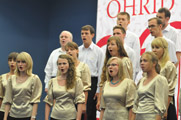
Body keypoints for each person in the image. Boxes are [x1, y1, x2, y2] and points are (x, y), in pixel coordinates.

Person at [97, 36, 133, 110]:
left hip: (120, 98)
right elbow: (103, 82)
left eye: (112, 44)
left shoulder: (125, 61)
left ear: (119, 47)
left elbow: (128, 82)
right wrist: (99, 99)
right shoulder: (108, 61)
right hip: (108, 98)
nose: (109, 47)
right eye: (108, 45)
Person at [44, 54, 85, 120]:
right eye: (59, 64)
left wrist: (78, 118)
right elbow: (48, 101)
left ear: (69, 65)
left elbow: (80, 101)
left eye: (64, 63)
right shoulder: (52, 81)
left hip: (71, 117)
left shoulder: (77, 81)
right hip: (55, 116)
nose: (62, 66)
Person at [3, 52, 42, 120]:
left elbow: (35, 101)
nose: (20, 64)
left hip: (27, 116)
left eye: (23, 62)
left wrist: (33, 117)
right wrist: (5, 118)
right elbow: (8, 100)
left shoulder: (34, 78)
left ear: (28, 63)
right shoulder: (11, 79)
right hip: (12, 115)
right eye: (18, 62)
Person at [131, 52, 168, 120]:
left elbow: (160, 106)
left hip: (151, 117)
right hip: (139, 116)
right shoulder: (141, 80)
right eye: (141, 61)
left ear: (154, 63)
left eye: (145, 61)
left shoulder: (159, 79)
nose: (142, 63)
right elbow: (135, 104)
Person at [78, 25, 104, 120]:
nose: (84, 36)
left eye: (86, 33)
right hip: (79, 81)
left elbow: (101, 70)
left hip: (92, 82)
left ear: (92, 35)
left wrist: (98, 90)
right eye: (82, 34)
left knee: (90, 111)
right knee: (78, 109)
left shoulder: (98, 51)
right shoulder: (78, 50)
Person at [151, 37, 177, 120]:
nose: (154, 50)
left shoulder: (169, 66)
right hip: (151, 103)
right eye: (153, 47)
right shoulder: (151, 65)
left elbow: (170, 89)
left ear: (164, 49)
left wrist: (165, 108)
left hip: (166, 103)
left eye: (157, 48)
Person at [65, 41, 91, 119]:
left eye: (71, 49)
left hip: (78, 101)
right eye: (67, 50)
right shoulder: (64, 67)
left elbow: (86, 87)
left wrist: (84, 104)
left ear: (77, 50)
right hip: (66, 101)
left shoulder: (83, 66)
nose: (69, 51)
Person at [117, 12, 140, 76]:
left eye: (123, 19)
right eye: (119, 19)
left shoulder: (134, 37)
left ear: (128, 22)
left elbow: (136, 57)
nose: (120, 21)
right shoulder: (112, 38)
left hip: (127, 70)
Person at [0, 52, 18, 119]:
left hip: (17, 110)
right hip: (3, 110)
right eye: (10, 60)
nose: (12, 62)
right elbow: (1, 96)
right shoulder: (2, 77)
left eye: (14, 60)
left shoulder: (22, 77)